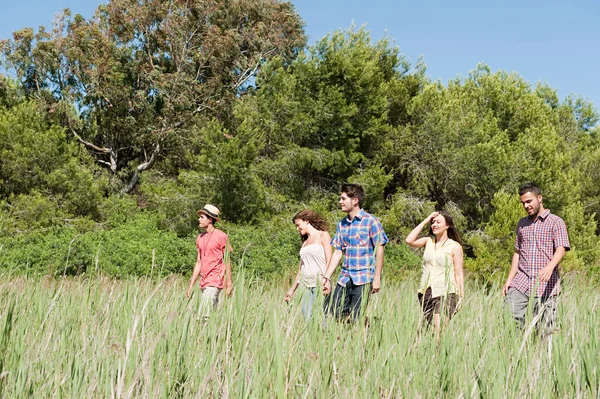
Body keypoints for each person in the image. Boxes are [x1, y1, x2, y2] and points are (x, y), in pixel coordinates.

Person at [502, 183, 570, 336]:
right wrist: (509, 279)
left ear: (539, 198)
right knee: (509, 320)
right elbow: (517, 252)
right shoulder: (522, 224)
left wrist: (550, 266)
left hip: (546, 285)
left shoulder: (556, 222)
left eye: (529, 201)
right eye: (523, 203)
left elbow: (561, 248)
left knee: (546, 332)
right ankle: (514, 355)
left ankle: (541, 358)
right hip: (521, 283)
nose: (526, 205)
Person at [322, 183, 388, 322]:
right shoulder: (342, 224)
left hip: (364, 277)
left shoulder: (371, 221)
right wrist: (327, 276)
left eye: (343, 198)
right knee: (335, 311)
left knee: (357, 316)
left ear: (355, 200)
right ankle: (353, 334)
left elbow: (379, 249)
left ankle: (362, 336)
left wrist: (377, 278)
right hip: (345, 277)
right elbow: (338, 252)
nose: (340, 202)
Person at [405, 211, 464, 340]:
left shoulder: (455, 247)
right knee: (432, 329)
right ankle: (432, 354)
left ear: (447, 225)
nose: (434, 225)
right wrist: (426, 220)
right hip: (426, 291)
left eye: (438, 222)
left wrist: (461, 296)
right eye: (433, 222)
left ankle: (437, 357)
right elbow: (409, 240)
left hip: (447, 291)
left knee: (438, 328)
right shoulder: (428, 241)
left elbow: (459, 273)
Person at [186, 204, 233, 319]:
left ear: (210, 219)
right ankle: (213, 336)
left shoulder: (222, 236)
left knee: (203, 315)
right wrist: (191, 285)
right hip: (203, 281)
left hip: (215, 280)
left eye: (202, 217)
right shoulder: (200, 238)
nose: (199, 219)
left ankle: (201, 336)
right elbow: (198, 262)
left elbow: (227, 261)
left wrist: (229, 282)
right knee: (211, 316)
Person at [285, 210, 333, 319]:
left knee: (321, 318)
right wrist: (292, 290)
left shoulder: (323, 235)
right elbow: (301, 269)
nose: (297, 229)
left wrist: (327, 280)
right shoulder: (305, 243)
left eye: (298, 225)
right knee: (307, 317)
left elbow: (330, 260)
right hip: (305, 284)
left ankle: (325, 336)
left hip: (320, 282)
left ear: (306, 221)